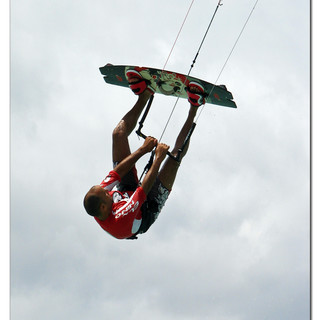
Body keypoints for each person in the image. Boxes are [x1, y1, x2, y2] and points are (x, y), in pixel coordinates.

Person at [83, 70, 206, 239]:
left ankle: (145, 94)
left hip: (128, 192)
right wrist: (158, 157)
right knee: (173, 159)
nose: (108, 191)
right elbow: (143, 190)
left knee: (118, 135)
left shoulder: (99, 194)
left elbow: (117, 173)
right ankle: (195, 106)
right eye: (106, 194)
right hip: (146, 208)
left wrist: (143, 149)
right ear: (104, 208)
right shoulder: (120, 217)